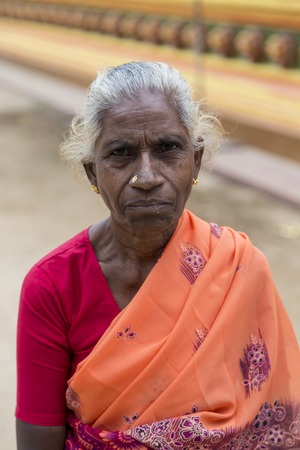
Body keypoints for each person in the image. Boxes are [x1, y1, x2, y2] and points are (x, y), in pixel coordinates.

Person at [16, 61, 300, 450]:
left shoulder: (239, 268)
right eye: (121, 153)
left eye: (168, 149)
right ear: (92, 173)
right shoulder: (53, 285)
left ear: (196, 161)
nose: (147, 177)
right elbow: (38, 436)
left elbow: (274, 418)